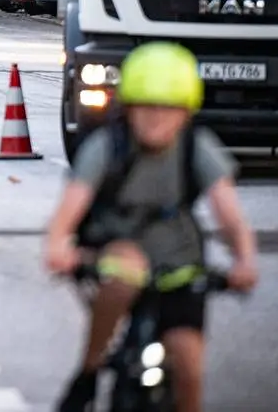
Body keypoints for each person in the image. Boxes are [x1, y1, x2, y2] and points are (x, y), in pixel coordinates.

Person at [44, 42, 259, 412]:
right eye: (146, 107)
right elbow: (71, 206)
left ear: (186, 112)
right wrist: (58, 247)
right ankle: (89, 371)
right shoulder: (107, 147)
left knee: (188, 361)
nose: (156, 117)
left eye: (168, 108)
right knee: (127, 270)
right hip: (116, 246)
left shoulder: (196, 147)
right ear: (128, 109)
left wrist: (245, 261)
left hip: (180, 261)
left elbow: (230, 215)